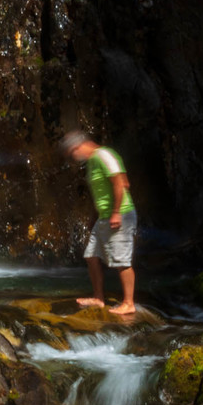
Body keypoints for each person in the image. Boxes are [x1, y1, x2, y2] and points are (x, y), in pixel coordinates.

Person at [61, 129, 137, 316]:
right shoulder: (92, 162)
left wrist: (116, 212)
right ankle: (98, 298)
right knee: (91, 256)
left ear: (79, 146)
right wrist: (93, 217)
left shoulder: (104, 155)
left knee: (122, 261)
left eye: (72, 153)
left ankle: (129, 303)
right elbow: (106, 190)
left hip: (121, 214)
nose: (73, 157)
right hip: (103, 216)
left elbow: (121, 183)